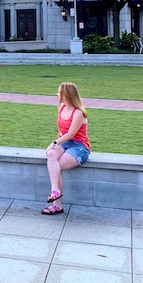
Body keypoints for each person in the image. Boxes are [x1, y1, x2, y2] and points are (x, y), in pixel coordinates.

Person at [42, 82, 90, 215]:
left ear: (66, 95)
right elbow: (63, 132)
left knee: (56, 166)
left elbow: (71, 134)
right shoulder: (62, 107)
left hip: (79, 147)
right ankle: (55, 191)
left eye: (59, 92)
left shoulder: (78, 112)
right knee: (51, 156)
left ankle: (56, 204)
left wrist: (54, 143)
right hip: (65, 143)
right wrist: (55, 146)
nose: (57, 94)